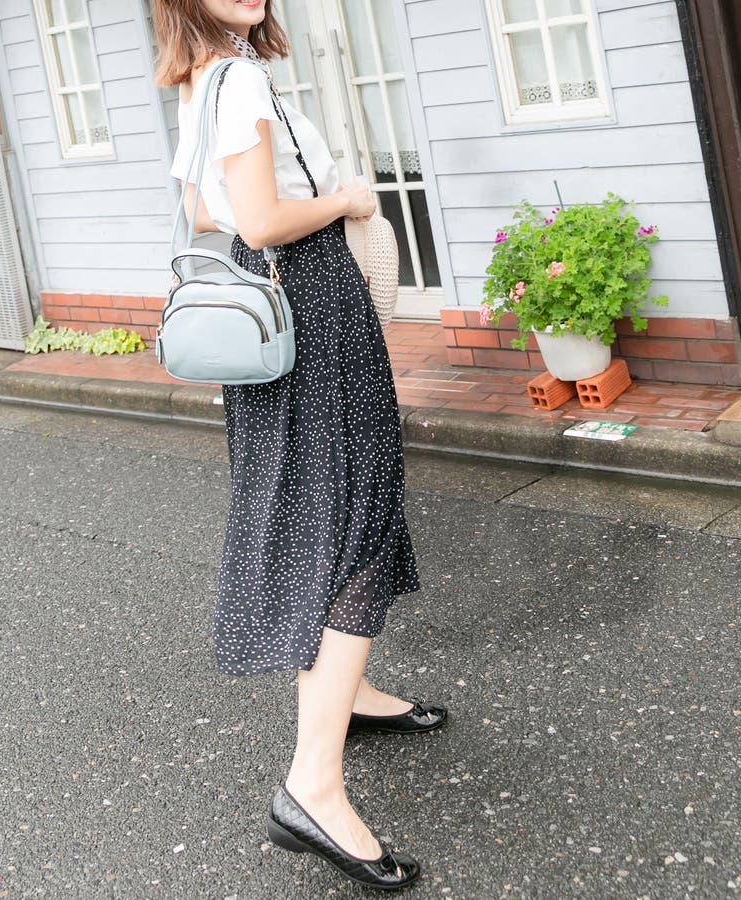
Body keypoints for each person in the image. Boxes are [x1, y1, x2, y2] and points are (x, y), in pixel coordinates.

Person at [154, 0, 447, 890]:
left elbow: (202, 209)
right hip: (310, 303)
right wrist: (347, 200)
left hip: (273, 314)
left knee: (321, 505)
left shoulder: (200, 78)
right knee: (355, 516)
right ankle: (312, 786)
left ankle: (347, 696)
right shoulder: (238, 80)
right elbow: (258, 220)